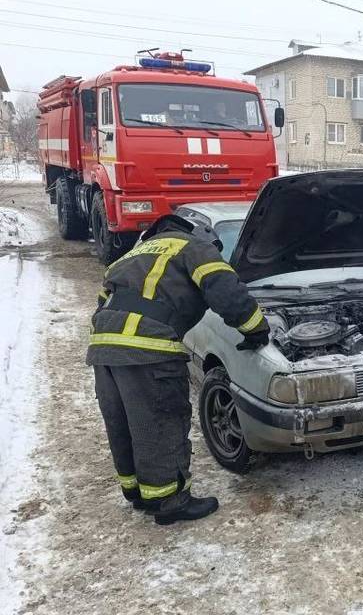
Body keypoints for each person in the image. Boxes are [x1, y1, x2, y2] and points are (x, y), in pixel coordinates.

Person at [87, 214, 270, 526]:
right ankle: (170, 501)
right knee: (162, 421)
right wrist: (255, 329)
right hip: (149, 351)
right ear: (204, 237)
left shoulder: (131, 255)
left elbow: (104, 301)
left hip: (104, 350)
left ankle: (137, 492)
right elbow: (223, 287)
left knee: (127, 424)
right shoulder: (193, 247)